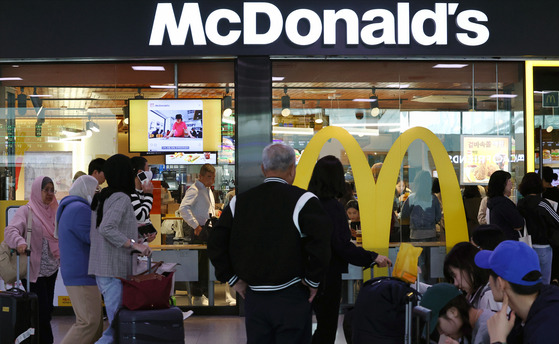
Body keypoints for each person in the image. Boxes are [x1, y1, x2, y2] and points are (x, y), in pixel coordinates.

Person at [208, 142, 331, 344]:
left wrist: (232, 278)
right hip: (292, 296)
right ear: (293, 169)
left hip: (254, 297)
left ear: (263, 169)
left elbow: (215, 243)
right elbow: (321, 245)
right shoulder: (305, 201)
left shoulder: (239, 202)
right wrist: (312, 281)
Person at [307, 155, 391, 344]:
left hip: (303, 275)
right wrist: (373, 257)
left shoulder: (306, 203)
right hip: (327, 277)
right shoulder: (334, 208)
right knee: (326, 328)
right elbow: (342, 246)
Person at [88, 154, 151, 344]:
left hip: (103, 268)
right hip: (114, 269)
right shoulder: (121, 198)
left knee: (117, 326)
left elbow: (105, 228)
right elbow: (107, 228)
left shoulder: (102, 197)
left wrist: (136, 233)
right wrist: (135, 245)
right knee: (116, 330)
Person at [4, 176, 59, 344]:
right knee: (41, 311)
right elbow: (10, 230)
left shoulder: (54, 210)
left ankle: (38, 339)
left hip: (52, 268)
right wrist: (20, 242)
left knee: (46, 310)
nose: (50, 194)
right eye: (46, 190)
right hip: (33, 269)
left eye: (52, 190)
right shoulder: (26, 210)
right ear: (37, 191)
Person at [475, 240, 559, 344]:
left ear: (501, 283)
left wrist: (497, 340)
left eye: (490, 274)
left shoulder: (545, 333)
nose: (489, 282)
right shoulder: (522, 314)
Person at [57, 175, 103, 344]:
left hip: (79, 272)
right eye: (96, 189)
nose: (97, 193)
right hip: (82, 273)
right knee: (88, 322)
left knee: (95, 324)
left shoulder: (70, 207)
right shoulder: (79, 208)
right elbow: (93, 238)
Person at [179, 163, 216, 305]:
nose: (211, 180)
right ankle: (198, 295)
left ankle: (204, 293)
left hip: (207, 229)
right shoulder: (194, 190)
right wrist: (196, 225)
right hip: (199, 231)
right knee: (198, 263)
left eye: (213, 177)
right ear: (200, 176)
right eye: (208, 177)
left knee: (205, 263)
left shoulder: (208, 190)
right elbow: (183, 209)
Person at [517, 172, 559, 284]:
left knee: (530, 281)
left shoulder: (520, 204)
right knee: (544, 281)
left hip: (526, 245)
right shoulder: (542, 203)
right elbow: (556, 220)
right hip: (543, 246)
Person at [400, 170, 442, 282]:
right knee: (431, 266)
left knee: (418, 265)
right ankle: (431, 288)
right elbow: (438, 217)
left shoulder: (411, 198)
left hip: (415, 236)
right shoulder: (433, 199)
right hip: (431, 235)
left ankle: (420, 288)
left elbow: (403, 215)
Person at [420, 283, 492, 344]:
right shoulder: (468, 332)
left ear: (453, 312)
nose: (441, 333)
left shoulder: (487, 329)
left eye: (438, 325)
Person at [443, 242, 500, 312]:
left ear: (469, 268)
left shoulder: (489, 296)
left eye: (454, 275)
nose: (455, 284)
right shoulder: (474, 295)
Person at [485, 170, 524, 240]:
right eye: (509, 181)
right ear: (502, 184)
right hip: (510, 243)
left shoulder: (492, 201)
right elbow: (519, 224)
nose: (511, 184)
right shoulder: (503, 203)